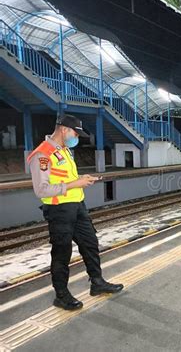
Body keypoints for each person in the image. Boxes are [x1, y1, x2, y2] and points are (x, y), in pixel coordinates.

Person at [28, 114, 123, 310]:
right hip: (58, 210)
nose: (76, 137)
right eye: (75, 133)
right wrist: (74, 184)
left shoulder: (64, 150)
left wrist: (80, 179)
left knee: (90, 243)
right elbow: (41, 189)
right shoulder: (42, 154)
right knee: (62, 253)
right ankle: (61, 295)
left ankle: (97, 282)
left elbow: (65, 178)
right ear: (63, 129)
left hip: (77, 206)